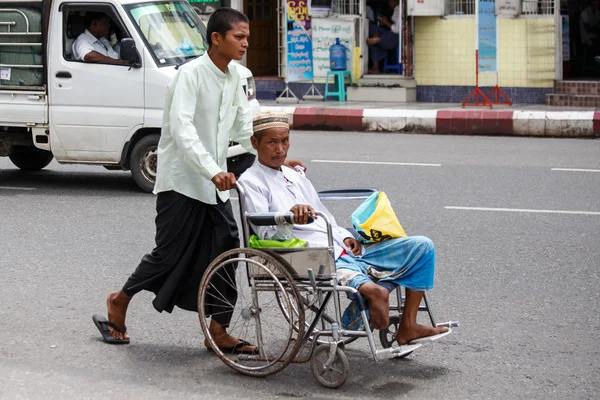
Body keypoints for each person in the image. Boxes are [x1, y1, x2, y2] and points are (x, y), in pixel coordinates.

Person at [92, 10, 303, 353]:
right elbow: (182, 129)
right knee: (168, 254)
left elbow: (241, 126)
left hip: (214, 184)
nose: (246, 44)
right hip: (182, 181)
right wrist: (212, 170)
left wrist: (276, 154)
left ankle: (217, 330)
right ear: (216, 38)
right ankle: (119, 299)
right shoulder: (188, 75)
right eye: (239, 37)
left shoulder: (236, 75)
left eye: (247, 38)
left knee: (227, 251)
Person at [237, 112, 449, 345]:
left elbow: (322, 213)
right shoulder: (251, 182)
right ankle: (373, 291)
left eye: (284, 141)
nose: (280, 149)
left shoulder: (293, 175)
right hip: (307, 252)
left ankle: (407, 324)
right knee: (338, 262)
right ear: (255, 143)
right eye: (272, 142)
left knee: (422, 247)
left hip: (335, 243)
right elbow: (265, 232)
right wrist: (289, 218)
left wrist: (345, 235)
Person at [367, 0, 401, 74]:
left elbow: (397, 30)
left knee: (375, 41)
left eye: (391, 1)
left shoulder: (400, 10)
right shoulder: (396, 10)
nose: (389, 3)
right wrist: (386, 21)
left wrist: (386, 22)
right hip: (390, 35)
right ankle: (375, 68)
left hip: (397, 38)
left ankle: (378, 39)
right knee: (374, 28)